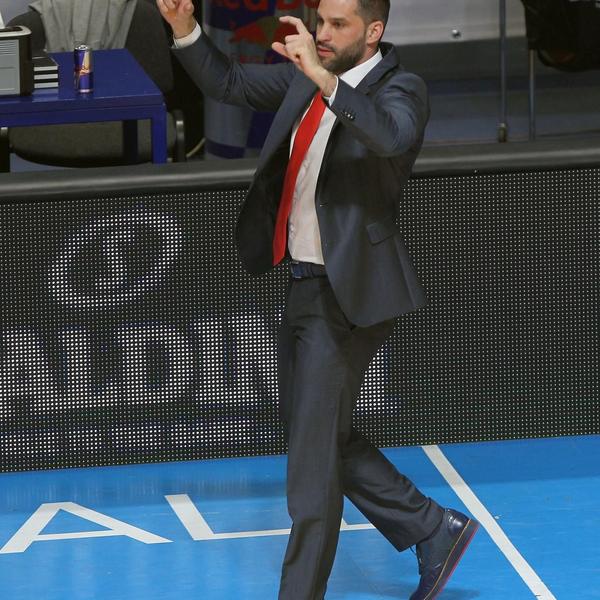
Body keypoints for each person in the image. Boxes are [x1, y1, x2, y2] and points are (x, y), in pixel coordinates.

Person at [156, 0, 479, 598]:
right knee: (317, 431)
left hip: (351, 294)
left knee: (310, 464)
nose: (322, 33)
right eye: (320, 20)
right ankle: (431, 526)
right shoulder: (309, 75)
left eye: (338, 25)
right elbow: (227, 83)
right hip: (303, 283)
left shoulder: (400, 89)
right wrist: (184, 28)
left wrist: (325, 81)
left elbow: (388, 135)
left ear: (373, 31)